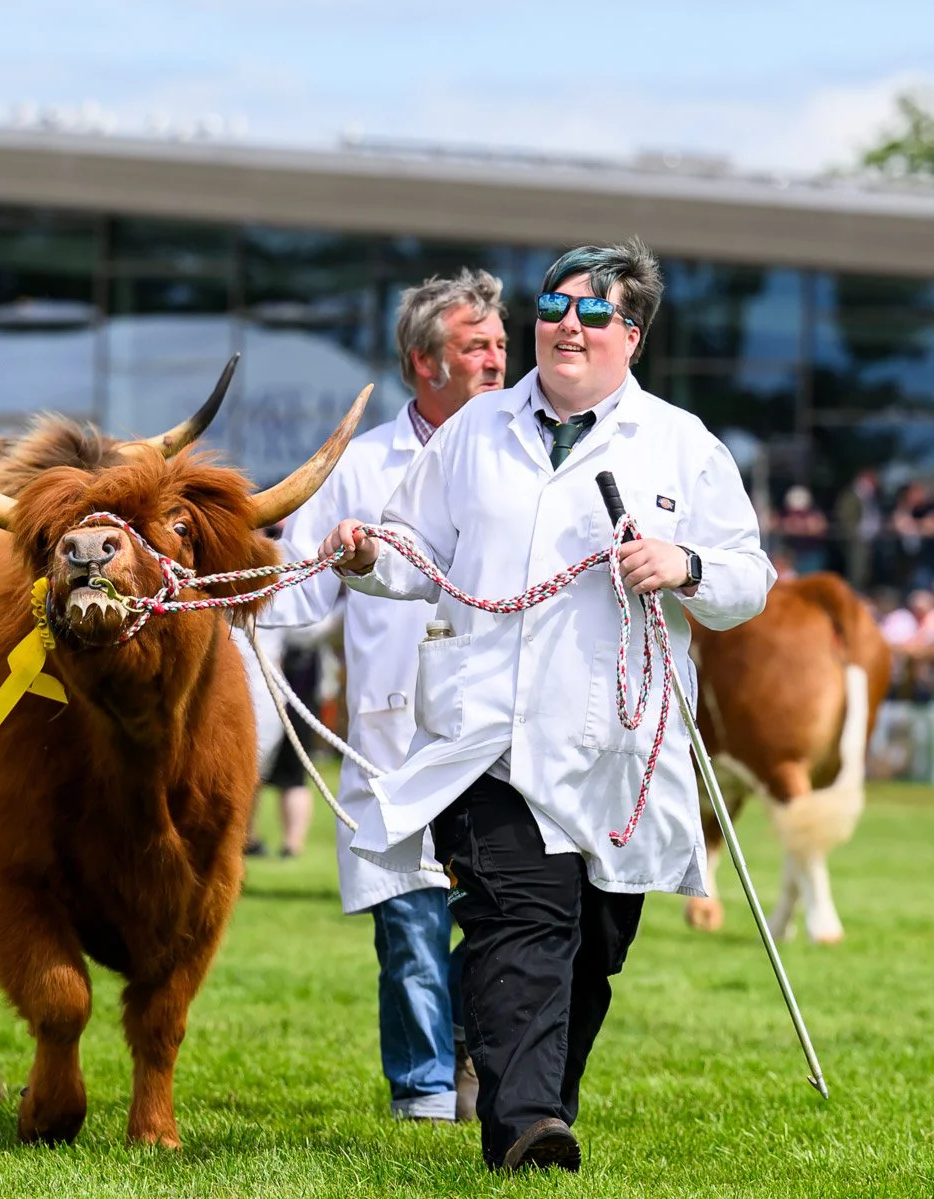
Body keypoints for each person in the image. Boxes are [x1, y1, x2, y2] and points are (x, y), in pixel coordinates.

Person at [325, 239, 773, 1172]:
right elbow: (415, 549)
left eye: (595, 311)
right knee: (516, 919)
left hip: (616, 746)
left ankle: (541, 1100)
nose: (569, 323)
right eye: (554, 304)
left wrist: (682, 564)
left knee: (590, 946)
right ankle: (526, 1123)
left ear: (632, 336)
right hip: (485, 736)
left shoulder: (682, 446)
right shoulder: (474, 431)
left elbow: (747, 579)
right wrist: (371, 558)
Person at [263, 268, 507, 1122]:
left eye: (500, 345)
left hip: (497, 738)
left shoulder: (528, 456)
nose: (495, 360)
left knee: (500, 924)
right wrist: (224, 591)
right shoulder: (363, 464)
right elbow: (292, 594)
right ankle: (425, 1093)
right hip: (391, 739)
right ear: (422, 362)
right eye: (474, 345)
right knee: (409, 929)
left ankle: (491, 1072)